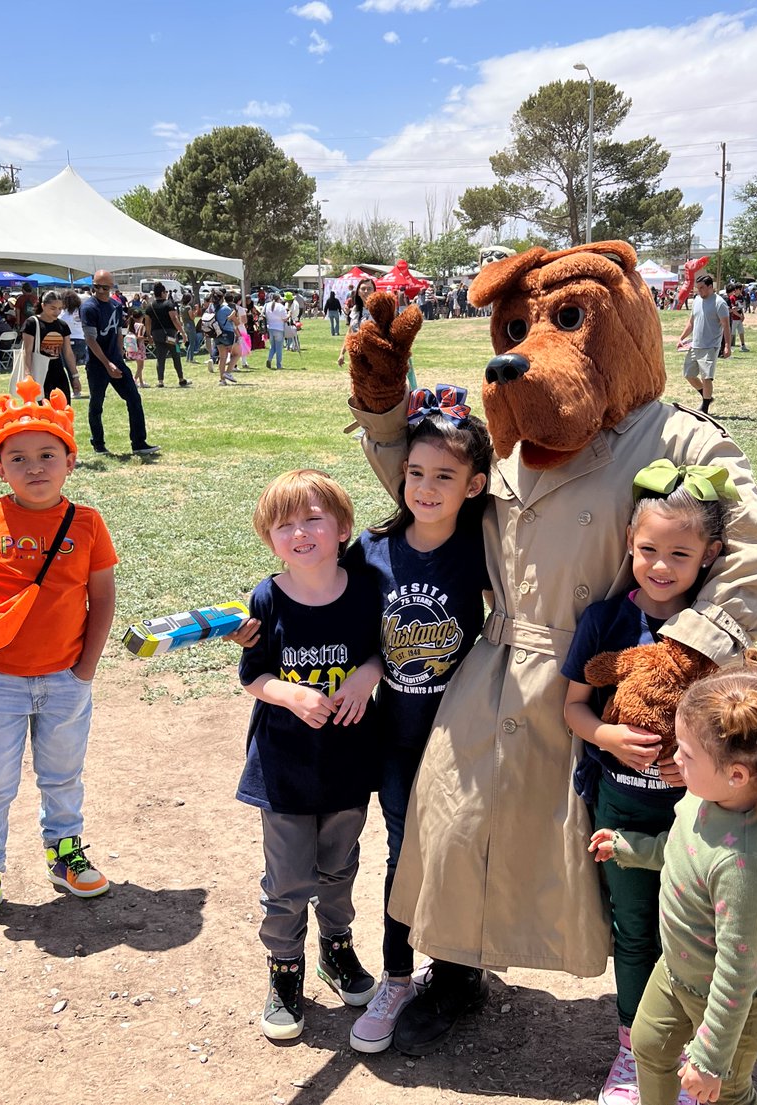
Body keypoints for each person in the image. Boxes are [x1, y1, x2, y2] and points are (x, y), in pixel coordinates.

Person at [590, 648, 757, 1105]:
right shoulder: (705, 798)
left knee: (726, 1094)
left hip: (736, 1003)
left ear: (737, 774)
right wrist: (632, 849)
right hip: (679, 971)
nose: (674, 758)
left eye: (685, 752)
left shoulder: (744, 863)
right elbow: (682, 850)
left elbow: (737, 971)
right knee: (648, 1045)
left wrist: (709, 1057)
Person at [564, 461, 734, 1105]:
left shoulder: (714, 627)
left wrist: (696, 764)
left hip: (699, 812)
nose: (661, 566)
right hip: (621, 807)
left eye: (680, 555)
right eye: (648, 551)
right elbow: (573, 708)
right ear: (629, 546)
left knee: (696, 931)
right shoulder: (605, 621)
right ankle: (633, 1050)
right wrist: (605, 736)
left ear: (709, 556)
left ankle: (695, 1052)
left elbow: (732, 719)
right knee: (634, 929)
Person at [0, 376, 119, 942]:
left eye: (47, 455)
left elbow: (102, 595)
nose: (34, 466)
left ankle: (65, 855)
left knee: (62, 775)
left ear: (70, 462)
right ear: (0, 468)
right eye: (17, 458)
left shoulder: (86, 523)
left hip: (64, 679)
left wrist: (85, 666)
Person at [340, 385, 493, 1055]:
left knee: (459, 855)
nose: (427, 488)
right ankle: (397, 977)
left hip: (463, 740)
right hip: (396, 741)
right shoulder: (372, 550)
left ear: (475, 484)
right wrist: (368, 665)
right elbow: (346, 630)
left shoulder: (484, 549)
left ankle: (459, 971)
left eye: (445, 477)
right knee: (405, 857)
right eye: (417, 474)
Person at [238, 469, 385, 1042]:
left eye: (313, 519)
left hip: (348, 759)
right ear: (269, 538)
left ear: (343, 528)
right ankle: (284, 968)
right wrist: (291, 694)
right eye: (283, 525)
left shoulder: (367, 587)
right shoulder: (267, 597)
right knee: (287, 878)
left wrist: (365, 678)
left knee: (339, 865)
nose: (300, 533)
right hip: (285, 766)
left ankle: (337, 949)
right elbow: (253, 674)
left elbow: (378, 652)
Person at [80, 269, 159, 456]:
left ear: (111, 286)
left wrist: (118, 354)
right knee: (97, 404)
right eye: (97, 287)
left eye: (105, 287)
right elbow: (91, 340)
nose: (101, 291)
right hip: (97, 364)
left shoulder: (115, 306)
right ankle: (98, 444)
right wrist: (107, 364)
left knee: (133, 398)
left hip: (115, 360)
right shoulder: (89, 308)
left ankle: (139, 443)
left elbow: (117, 332)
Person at [676, 274, 730, 414]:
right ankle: (706, 397)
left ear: (711, 287)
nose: (699, 291)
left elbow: (726, 326)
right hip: (695, 345)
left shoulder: (719, 303)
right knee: (689, 374)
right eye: (697, 288)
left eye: (702, 288)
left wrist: (727, 346)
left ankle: (705, 408)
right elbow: (691, 322)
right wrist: (682, 338)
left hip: (710, 347)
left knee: (706, 377)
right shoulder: (697, 301)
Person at [21, 290, 80, 402]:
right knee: (42, 411)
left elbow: (68, 352)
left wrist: (75, 376)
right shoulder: (32, 323)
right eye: (53, 308)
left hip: (57, 370)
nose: (57, 312)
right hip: (38, 370)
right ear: (43, 305)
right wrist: (27, 375)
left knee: (64, 408)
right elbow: (27, 352)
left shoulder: (62, 325)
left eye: (60, 309)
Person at [145, 281, 191, 388]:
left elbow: (147, 322)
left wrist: (148, 335)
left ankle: (160, 381)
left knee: (160, 357)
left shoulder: (149, 306)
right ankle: (181, 379)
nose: (166, 293)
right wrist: (183, 333)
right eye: (165, 291)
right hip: (170, 334)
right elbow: (174, 319)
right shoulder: (169, 304)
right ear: (162, 293)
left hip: (156, 335)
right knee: (176, 355)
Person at [60, 292, 88, 399]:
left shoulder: (63, 315)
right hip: (82, 340)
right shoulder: (80, 312)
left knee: (70, 368)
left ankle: (76, 390)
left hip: (69, 342)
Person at [215, 291, 242, 383]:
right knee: (237, 353)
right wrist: (233, 314)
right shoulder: (226, 309)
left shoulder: (213, 309)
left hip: (217, 334)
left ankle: (222, 380)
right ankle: (228, 372)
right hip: (228, 333)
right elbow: (237, 322)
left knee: (222, 357)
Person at [263, 293, 289, 370]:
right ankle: (279, 364)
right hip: (279, 328)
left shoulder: (266, 305)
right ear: (278, 299)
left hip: (270, 327)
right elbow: (284, 319)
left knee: (273, 346)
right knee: (279, 348)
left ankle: (269, 358)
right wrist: (289, 315)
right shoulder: (281, 307)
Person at [124, 306, 148, 387]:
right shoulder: (140, 325)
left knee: (139, 366)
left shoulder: (130, 324)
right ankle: (134, 381)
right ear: (141, 317)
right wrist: (147, 338)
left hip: (132, 347)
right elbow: (139, 336)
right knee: (141, 367)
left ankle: (141, 382)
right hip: (139, 347)